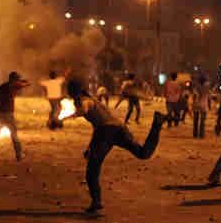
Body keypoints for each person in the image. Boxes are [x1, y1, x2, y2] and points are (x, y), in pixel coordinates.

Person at [64, 76, 167, 213]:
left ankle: (96, 201)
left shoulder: (82, 100)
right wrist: (90, 146)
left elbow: (85, 109)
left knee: (92, 171)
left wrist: (65, 118)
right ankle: (157, 124)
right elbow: (97, 125)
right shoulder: (91, 98)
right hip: (118, 128)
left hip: (106, 132)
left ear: (72, 91)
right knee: (143, 153)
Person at [0, 71, 30, 165]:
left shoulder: (1, 87)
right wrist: (22, 81)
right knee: (14, 135)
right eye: (17, 80)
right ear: (14, 80)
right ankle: (19, 155)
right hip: (9, 115)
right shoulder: (14, 86)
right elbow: (28, 84)